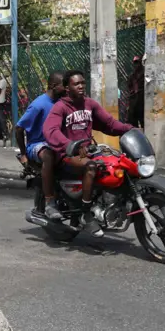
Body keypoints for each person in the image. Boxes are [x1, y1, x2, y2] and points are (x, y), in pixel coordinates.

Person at [43, 70, 133, 237]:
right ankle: (86, 213)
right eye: (76, 84)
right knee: (91, 167)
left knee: (116, 164)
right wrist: (70, 145)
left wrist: (130, 129)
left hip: (88, 152)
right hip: (68, 155)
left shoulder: (89, 104)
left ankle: (110, 204)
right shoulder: (60, 107)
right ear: (67, 87)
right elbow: (51, 130)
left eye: (83, 83)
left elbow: (109, 123)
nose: (81, 86)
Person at [15, 72, 66, 220]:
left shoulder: (62, 102)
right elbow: (19, 129)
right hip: (38, 144)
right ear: (53, 86)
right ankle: (50, 201)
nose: (67, 88)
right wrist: (24, 154)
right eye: (64, 85)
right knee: (48, 155)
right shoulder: (38, 105)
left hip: (57, 142)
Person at [127, 56, 145, 128]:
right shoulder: (132, 76)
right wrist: (133, 92)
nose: (136, 65)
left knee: (142, 118)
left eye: (137, 63)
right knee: (132, 118)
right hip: (134, 99)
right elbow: (129, 86)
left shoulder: (144, 74)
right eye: (135, 63)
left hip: (142, 99)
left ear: (140, 63)